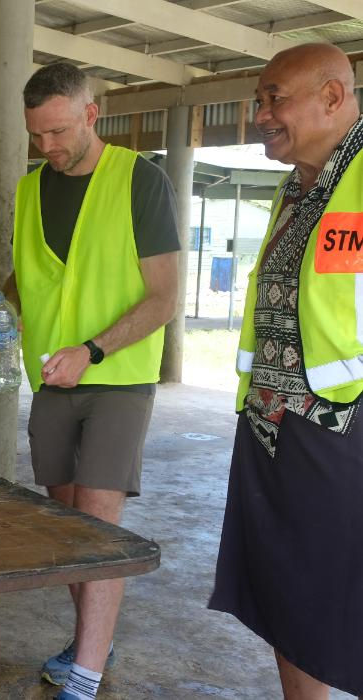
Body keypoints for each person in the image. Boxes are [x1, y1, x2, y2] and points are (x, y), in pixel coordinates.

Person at [0, 63, 179, 700]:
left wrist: (93, 350)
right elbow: (26, 277)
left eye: (59, 131)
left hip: (116, 377)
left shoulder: (141, 180)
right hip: (51, 380)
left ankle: (85, 675)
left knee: (98, 522)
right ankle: (95, 638)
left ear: (93, 114)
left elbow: (164, 297)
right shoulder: (33, 188)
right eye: (37, 135)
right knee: (67, 528)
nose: (48, 147)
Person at [209, 43, 363, 699]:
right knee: (288, 592)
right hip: (277, 424)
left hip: (342, 430)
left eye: (276, 98)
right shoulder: (298, 187)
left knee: (336, 594)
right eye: (259, 100)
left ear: (333, 97)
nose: (261, 114)